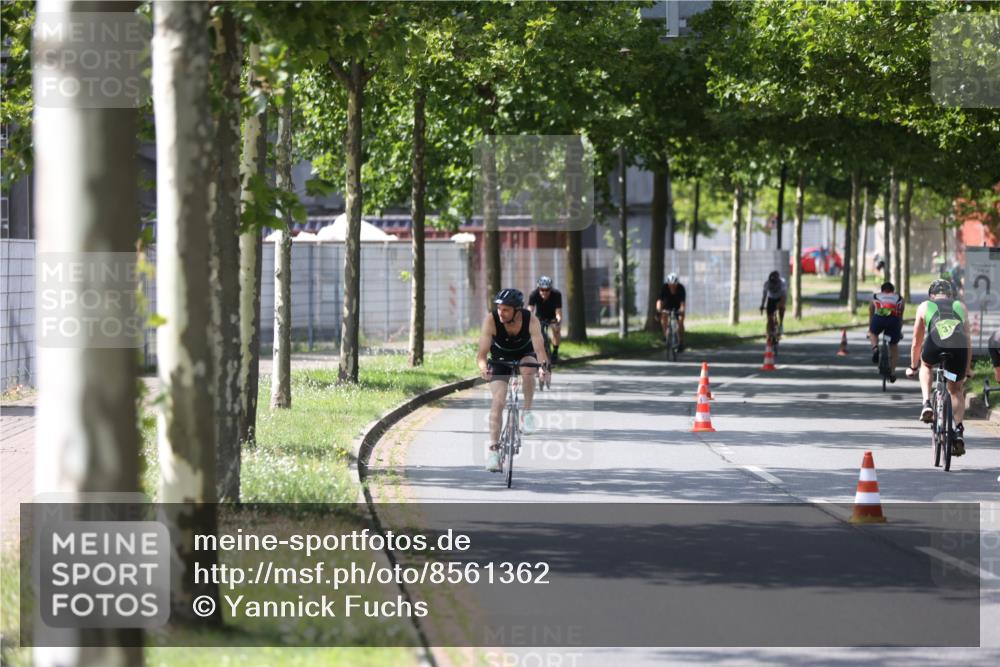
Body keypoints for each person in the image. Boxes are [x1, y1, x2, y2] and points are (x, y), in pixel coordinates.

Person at [477, 288, 550, 472]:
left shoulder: (531, 320)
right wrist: (483, 368)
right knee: (498, 400)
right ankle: (493, 451)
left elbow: (540, 351)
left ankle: (527, 413)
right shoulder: (491, 320)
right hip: (500, 358)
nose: (501, 312)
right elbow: (482, 355)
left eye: (506, 310)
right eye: (499, 308)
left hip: (525, 354)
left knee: (528, 368)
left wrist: (543, 368)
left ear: (517, 310)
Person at [905, 279, 972, 456]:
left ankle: (927, 403)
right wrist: (967, 369)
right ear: (951, 295)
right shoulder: (961, 306)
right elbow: (968, 342)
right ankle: (958, 430)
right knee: (956, 389)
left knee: (926, 364)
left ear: (931, 295)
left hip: (934, 344)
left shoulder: (924, 306)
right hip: (958, 347)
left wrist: (913, 366)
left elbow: (916, 342)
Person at [867, 281, 905, 382]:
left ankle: (875, 348)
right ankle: (892, 372)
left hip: (879, 316)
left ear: (882, 290)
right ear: (893, 291)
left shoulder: (876, 296)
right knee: (893, 346)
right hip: (893, 319)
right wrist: (899, 331)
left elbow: (871, 312)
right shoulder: (899, 298)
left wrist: (870, 328)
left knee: (873, 333)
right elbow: (900, 316)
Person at [528, 276, 563, 364]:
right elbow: (530, 310)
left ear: (550, 289)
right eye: (542, 290)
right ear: (538, 288)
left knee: (556, 330)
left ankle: (555, 351)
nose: (544, 292)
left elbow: (558, 311)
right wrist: (529, 319)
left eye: (547, 290)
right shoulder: (534, 294)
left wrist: (558, 320)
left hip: (552, 317)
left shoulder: (557, 294)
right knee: (537, 334)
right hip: (539, 317)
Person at [656, 272, 686, 350]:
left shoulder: (681, 288)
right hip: (667, 305)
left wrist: (682, 310)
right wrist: (659, 310)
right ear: (668, 284)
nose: (672, 287)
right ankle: (666, 336)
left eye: (674, 285)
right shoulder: (664, 288)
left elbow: (682, 303)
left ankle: (681, 341)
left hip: (677, 306)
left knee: (680, 320)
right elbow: (659, 301)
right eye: (670, 285)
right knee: (663, 318)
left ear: (677, 284)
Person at [759, 271, 787, 339]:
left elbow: (784, 296)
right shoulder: (767, 284)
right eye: (772, 282)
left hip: (780, 298)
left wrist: (780, 305)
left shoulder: (782, 283)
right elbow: (764, 296)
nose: (774, 284)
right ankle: (769, 333)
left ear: (778, 280)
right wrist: (762, 306)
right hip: (771, 299)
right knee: (769, 318)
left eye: (775, 282)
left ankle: (781, 324)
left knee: (782, 308)